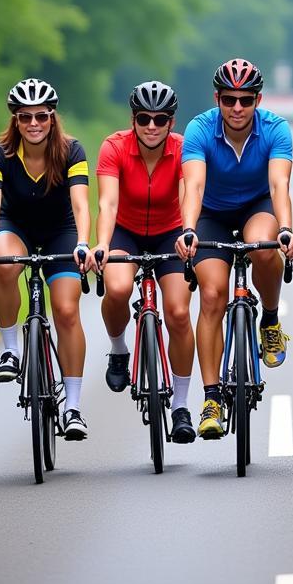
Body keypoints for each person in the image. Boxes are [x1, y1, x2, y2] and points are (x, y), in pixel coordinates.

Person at [176, 58, 293, 441]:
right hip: (211, 212)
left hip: (256, 205)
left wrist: (288, 229)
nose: (238, 108)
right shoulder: (199, 128)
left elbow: (279, 185)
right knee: (211, 295)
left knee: (264, 248)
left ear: (258, 99)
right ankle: (211, 399)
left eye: (246, 100)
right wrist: (189, 230)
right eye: (229, 100)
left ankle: (271, 319)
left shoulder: (275, 129)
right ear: (218, 99)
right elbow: (193, 186)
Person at [0, 78, 92, 440]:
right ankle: (11, 350)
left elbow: (80, 203)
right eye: (24, 116)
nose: (33, 123)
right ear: (14, 119)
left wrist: (85, 243)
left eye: (41, 116)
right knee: (6, 262)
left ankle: (72, 407)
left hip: (61, 230)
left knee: (67, 311)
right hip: (17, 227)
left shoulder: (72, 150)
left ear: (52, 116)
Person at [93, 80, 197, 444]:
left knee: (179, 314)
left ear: (171, 122)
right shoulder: (114, 147)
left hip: (170, 232)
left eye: (160, 119)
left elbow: (188, 195)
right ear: (132, 119)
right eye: (143, 118)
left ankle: (181, 405)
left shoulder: (184, 149)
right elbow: (107, 202)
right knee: (118, 288)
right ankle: (119, 350)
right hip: (125, 231)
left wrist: (187, 231)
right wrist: (103, 245)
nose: (151, 126)